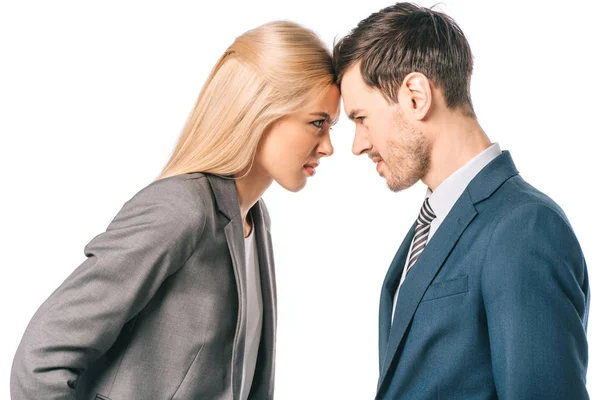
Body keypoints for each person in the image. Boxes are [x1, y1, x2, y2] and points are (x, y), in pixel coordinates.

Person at [11, 20, 339, 400]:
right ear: (259, 111)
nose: (328, 146)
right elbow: (41, 359)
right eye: (317, 123)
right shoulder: (181, 208)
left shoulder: (254, 218)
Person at [333, 3, 590, 399]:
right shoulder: (433, 224)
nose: (358, 144)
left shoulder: (525, 228)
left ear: (415, 97)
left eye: (361, 118)